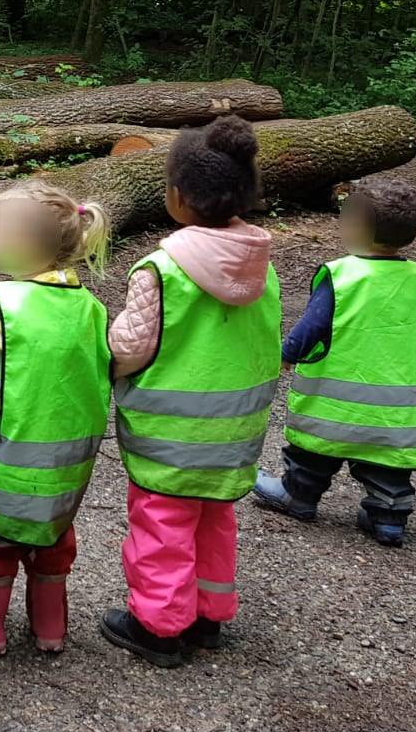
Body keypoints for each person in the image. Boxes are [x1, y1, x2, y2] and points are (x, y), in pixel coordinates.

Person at [100, 117, 281, 668]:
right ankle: (208, 615)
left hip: (171, 436)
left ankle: (158, 626)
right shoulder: (263, 270)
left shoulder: (161, 269)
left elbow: (131, 346)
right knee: (215, 520)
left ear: (177, 197)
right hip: (236, 434)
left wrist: (105, 353)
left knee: (162, 526)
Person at [0, 181, 111, 658]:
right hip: (69, 471)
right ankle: (50, 627)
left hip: (5, 464)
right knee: (53, 544)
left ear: (20, 245)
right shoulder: (91, 308)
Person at [253, 177, 416, 548]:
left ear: (356, 228)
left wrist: (285, 356)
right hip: (396, 416)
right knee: (388, 467)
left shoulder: (343, 275)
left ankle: (298, 496)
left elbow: (312, 326)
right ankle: (388, 517)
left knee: (311, 457)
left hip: (331, 408)